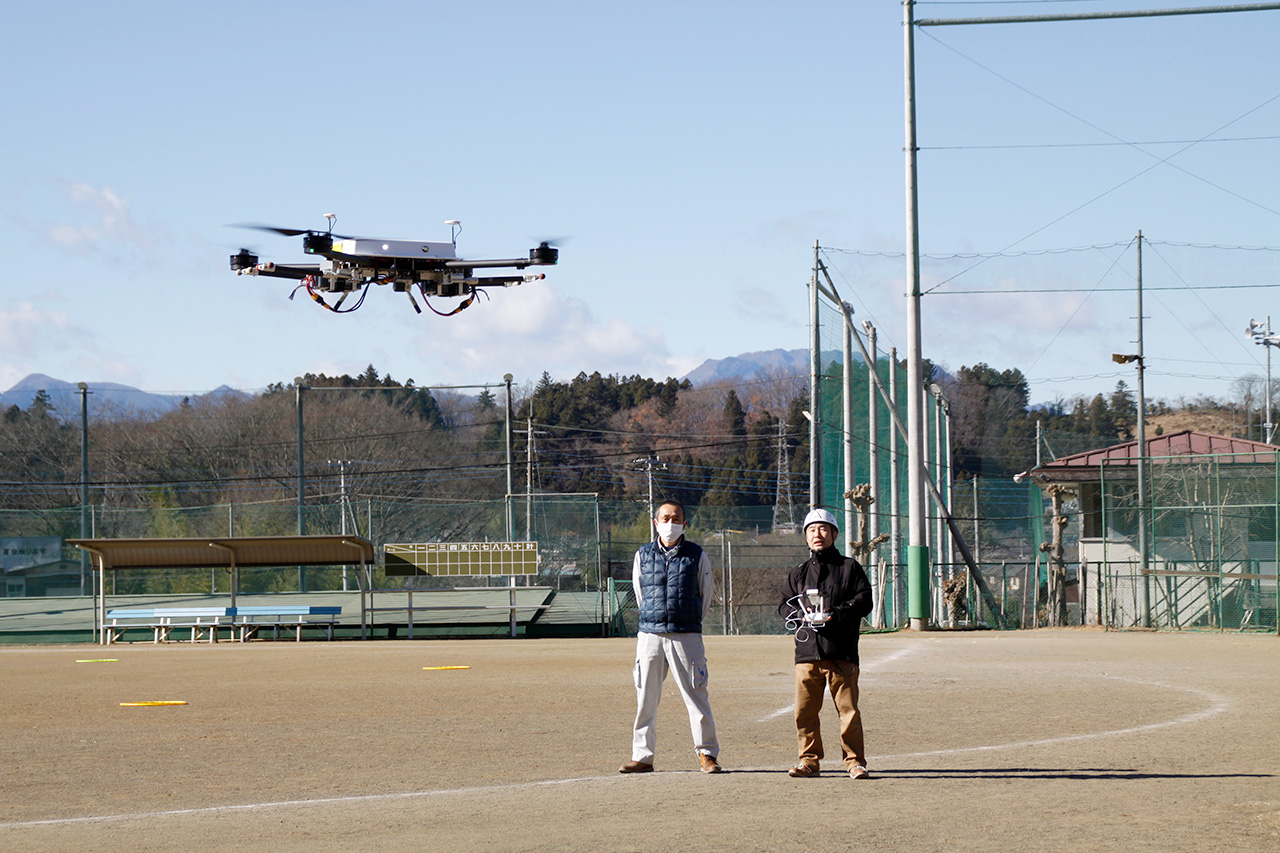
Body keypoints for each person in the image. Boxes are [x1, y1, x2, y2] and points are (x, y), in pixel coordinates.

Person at [619, 499, 722, 774]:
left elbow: (706, 593)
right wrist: (652, 620)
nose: (670, 523)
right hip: (650, 635)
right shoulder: (642, 554)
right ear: (655, 522)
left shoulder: (696, 555)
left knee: (696, 695)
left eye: (676, 518)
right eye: (665, 518)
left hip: (686, 636)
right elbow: (639, 592)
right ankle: (642, 757)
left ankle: (707, 754)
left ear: (684, 524)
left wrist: (688, 620)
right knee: (645, 698)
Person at [779, 507, 873, 780]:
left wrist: (837, 613)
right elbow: (784, 605)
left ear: (834, 534)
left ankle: (854, 762)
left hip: (841, 652)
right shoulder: (798, 572)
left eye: (823, 529)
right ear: (805, 537)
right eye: (811, 530)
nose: (817, 534)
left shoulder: (849, 567)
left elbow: (863, 600)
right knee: (805, 712)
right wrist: (800, 616)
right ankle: (808, 761)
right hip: (807, 653)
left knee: (848, 711)